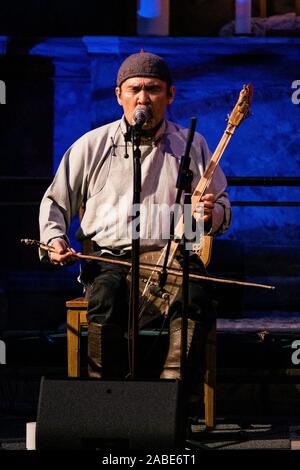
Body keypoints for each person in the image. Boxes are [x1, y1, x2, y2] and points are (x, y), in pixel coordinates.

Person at [39, 51, 231, 381]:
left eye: (154, 89)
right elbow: (54, 203)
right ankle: (109, 404)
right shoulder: (91, 145)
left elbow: (224, 209)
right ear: (119, 96)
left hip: (176, 260)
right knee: (106, 297)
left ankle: (171, 404)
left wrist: (208, 215)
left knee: (195, 299)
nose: (143, 97)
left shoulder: (192, 144)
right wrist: (55, 239)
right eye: (134, 89)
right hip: (113, 260)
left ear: (170, 95)